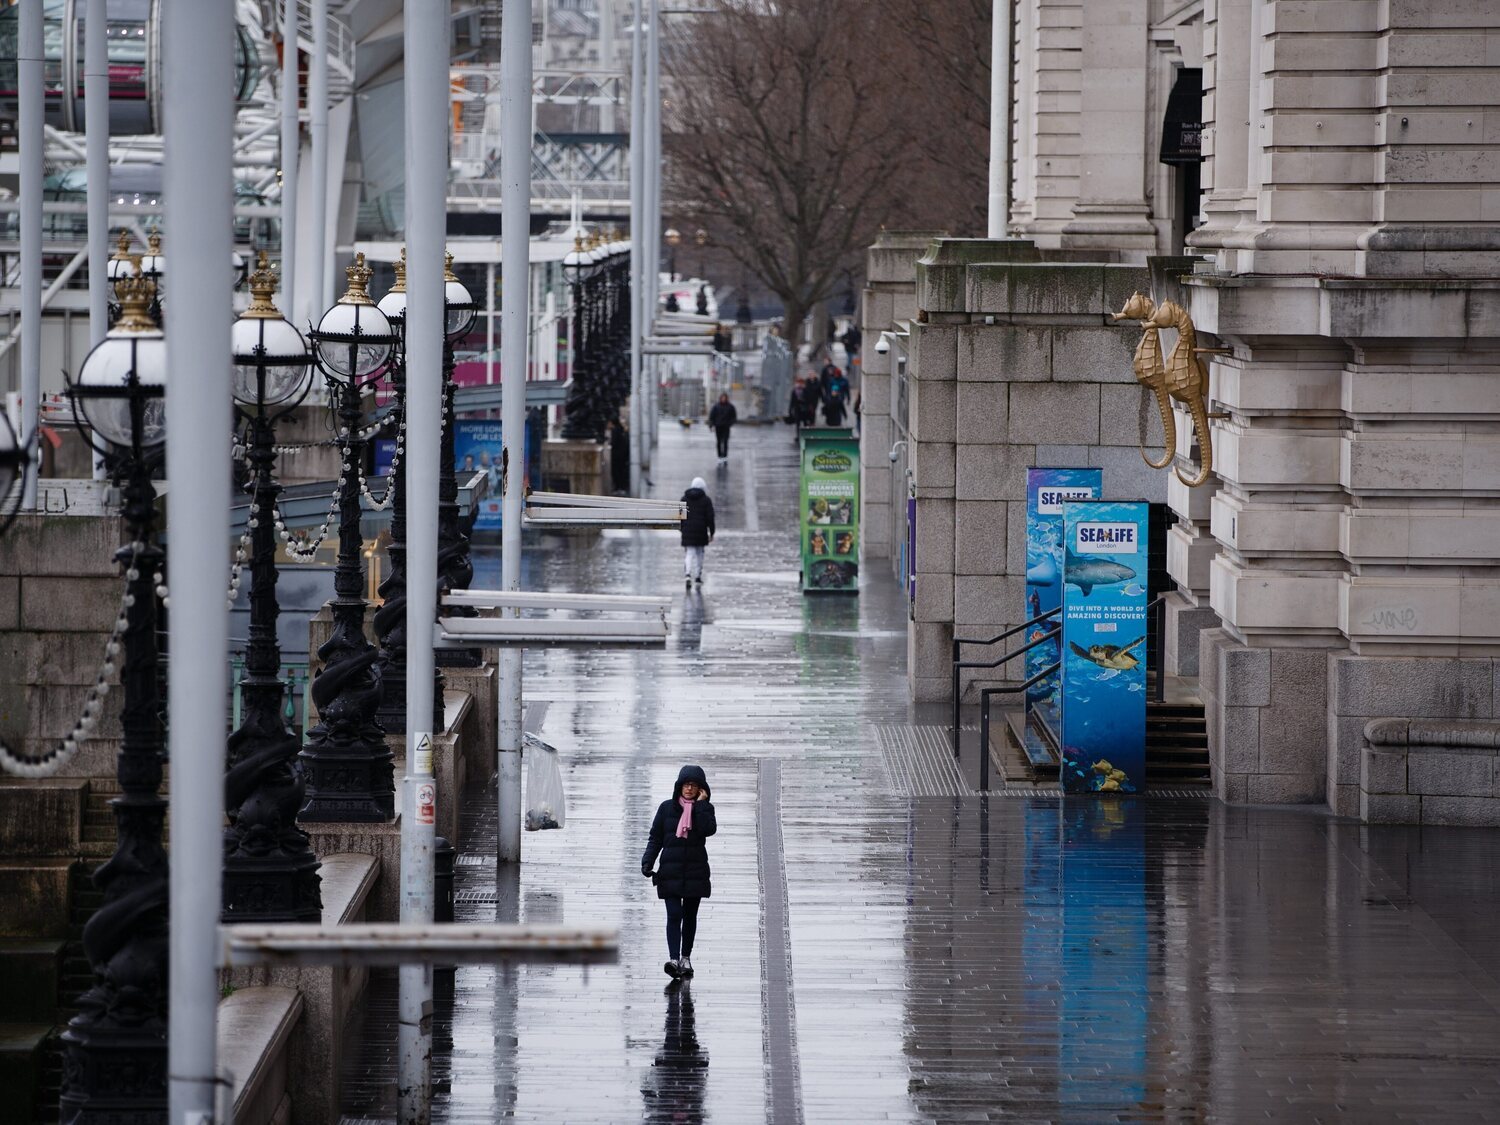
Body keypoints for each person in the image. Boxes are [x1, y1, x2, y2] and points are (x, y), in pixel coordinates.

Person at [641, 765, 716, 979]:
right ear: (679, 786)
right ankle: (674, 959)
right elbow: (655, 837)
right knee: (674, 914)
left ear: (701, 788)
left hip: (695, 871)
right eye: (686, 784)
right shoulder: (666, 809)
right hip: (670, 871)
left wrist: (701, 805)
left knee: (690, 916)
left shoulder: (705, 810)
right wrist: (648, 861)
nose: (689, 788)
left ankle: (686, 957)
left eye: (694, 785)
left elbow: (707, 830)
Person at [680, 476, 715, 588]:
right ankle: (698, 576)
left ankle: (687, 574)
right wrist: (712, 532)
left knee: (689, 553)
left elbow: (679, 516)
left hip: (687, 530)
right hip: (701, 530)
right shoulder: (706, 500)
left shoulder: (684, 499)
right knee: (700, 553)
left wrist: (682, 529)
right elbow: (710, 517)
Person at [707, 393, 737, 461]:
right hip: (718, 426)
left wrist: (730, 423)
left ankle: (725, 456)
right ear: (720, 398)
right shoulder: (716, 406)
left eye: (725, 398)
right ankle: (719, 456)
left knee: (725, 441)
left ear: (726, 398)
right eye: (722, 398)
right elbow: (712, 416)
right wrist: (711, 425)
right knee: (719, 442)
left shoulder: (730, 406)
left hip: (726, 427)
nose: (723, 399)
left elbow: (734, 417)